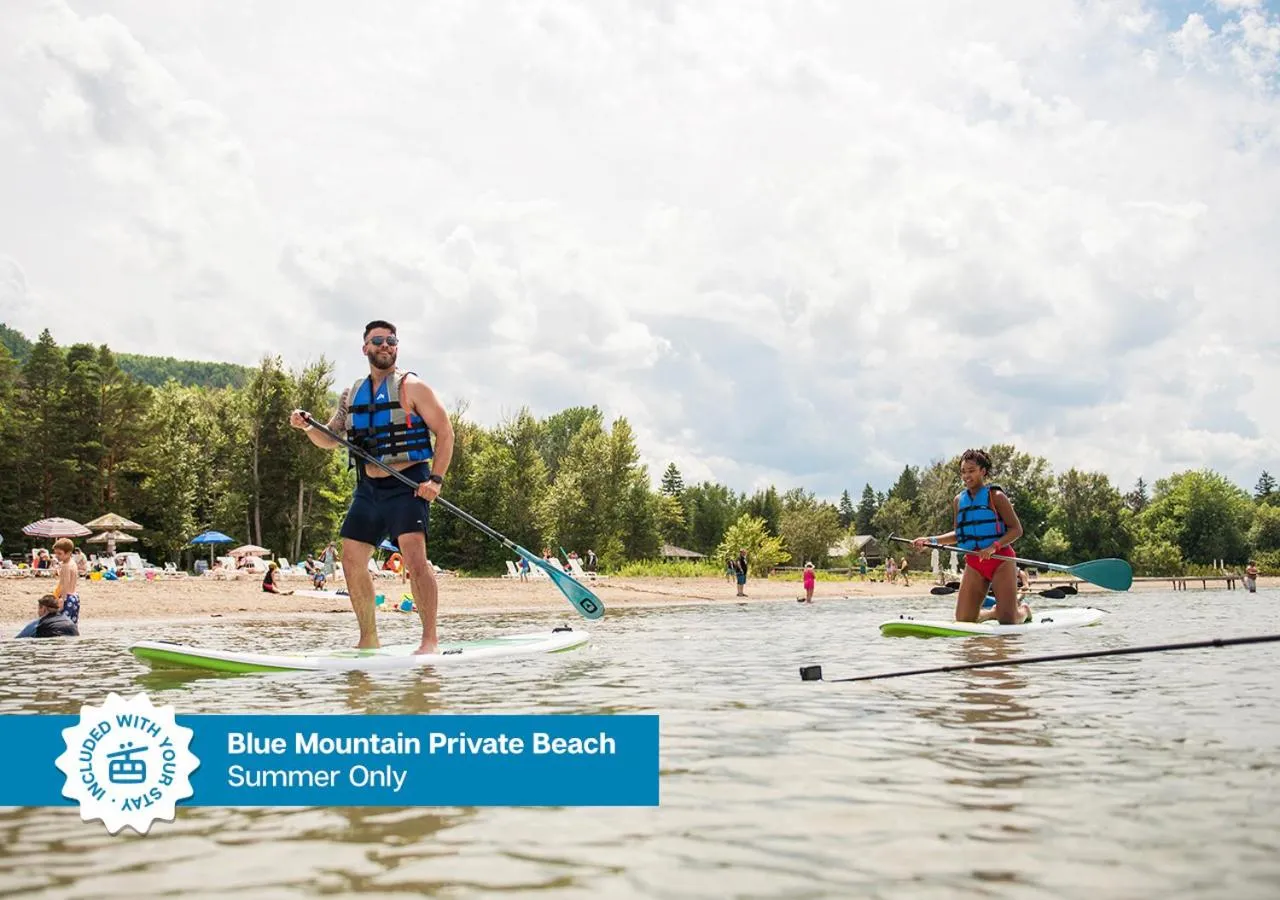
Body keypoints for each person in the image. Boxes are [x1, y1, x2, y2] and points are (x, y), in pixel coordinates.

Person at [290, 320, 454, 654]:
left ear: (396, 346)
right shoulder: (352, 394)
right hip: (368, 489)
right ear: (364, 347)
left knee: (414, 558)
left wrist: (435, 480)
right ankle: (368, 638)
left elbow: (446, 433)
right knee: (351, 559)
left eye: (390, 340)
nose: (384, 345)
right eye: (377, 340)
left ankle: (429, 641)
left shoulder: (413, 387)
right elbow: (330, 438)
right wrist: (307, 427)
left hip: (408, 485)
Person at [912, 448, 1030, 625]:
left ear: (983, 471)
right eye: (963, 472)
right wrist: (931, 540)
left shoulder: (996, 496)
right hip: (975, 563)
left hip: (1000, 560)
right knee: (964, 619)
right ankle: (992, 613)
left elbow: (1016, 529)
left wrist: (993, 547)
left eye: (971, 471)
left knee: (1008, 621)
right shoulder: (959, 500)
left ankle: (1024, 611)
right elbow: (960, 535)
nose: (967, 476)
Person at [14, 594, 80, 639]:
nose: (38, 612)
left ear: (44, 609)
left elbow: (19, 638)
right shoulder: (68, 621)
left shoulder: (38, 623)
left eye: (39, 608)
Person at [51, 538, 81, 625]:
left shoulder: (65, 566)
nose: (57, 556)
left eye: (59, 554)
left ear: (68, 553)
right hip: (74, 596)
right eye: (55, 553)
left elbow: (65, 583)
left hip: (67, 597)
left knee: (62, 624)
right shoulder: (73, 563)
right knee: (72, 625)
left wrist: (62, 599)